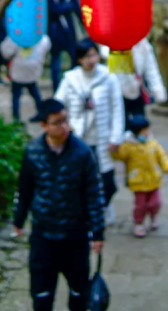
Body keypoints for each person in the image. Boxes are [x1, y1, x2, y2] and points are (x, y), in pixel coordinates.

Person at [14, 97, 105, 311]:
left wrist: (98, 232)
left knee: (79, 294)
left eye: (65, 120)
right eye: (57, 122)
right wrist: (19, 218)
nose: (63, 126)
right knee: (42, 295)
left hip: (75, 235)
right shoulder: (32, 152)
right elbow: (25, 189)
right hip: (43, 235)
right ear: (44, 125)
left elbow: (93, 193)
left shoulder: (82, 153)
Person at [55, 38, 124, 212]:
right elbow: (58, 105)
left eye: (93, 55)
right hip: (80, 138)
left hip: (103, 137)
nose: (91, 60)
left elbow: (117, 108)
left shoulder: (108, 77)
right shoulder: (70, 79)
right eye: (87, 56)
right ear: (79, 59)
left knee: (107, 181)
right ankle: (86, 213)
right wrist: (66, 129)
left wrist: (116, 137)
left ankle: (103, 208)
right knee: (80, 179)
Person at [112, 114, 168, 237]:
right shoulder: (128, 146)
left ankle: (153, 215)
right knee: (141, 205)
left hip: (153, 180)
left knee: (155, 202)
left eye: (147, 130)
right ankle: (138, 223)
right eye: (144, 131)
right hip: (138, 181)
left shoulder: (153, 143)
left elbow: (162, 156)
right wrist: (115, 150)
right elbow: (121, 156)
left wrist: (167, 168)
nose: (146, 133)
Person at [103, 35, 167, 129]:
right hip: (117, 92)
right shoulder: (111, 42)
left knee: (140, 125)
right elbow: (106, 56)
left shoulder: (142, 43)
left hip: (136, 89)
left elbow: (151, 68)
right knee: (120, 126)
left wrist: (158, 89)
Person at [47, 0, 82, 91]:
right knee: (55, 62)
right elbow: (53, 9)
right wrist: (67, 7)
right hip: (55, 30)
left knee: (74, 58)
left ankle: (73, 86)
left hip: (69, 30)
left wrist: (86, 25)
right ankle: (57, 89)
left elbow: (77, 8)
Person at [0, 33, 51, 122]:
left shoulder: (16, 36)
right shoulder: (41, 37)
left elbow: (6, 52)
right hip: (33, 70)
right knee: (34, 92)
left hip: (18, 70)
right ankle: (41, 113)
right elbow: (46, 47)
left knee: (16, 96)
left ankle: (16, 118)